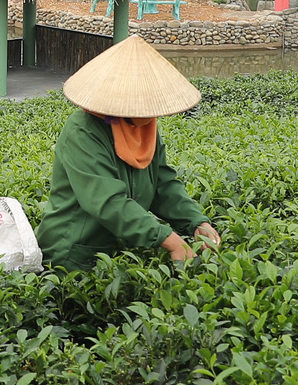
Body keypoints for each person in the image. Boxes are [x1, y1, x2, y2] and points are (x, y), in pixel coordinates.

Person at [35, 35, 221, 269]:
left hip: (119, 251)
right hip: (72, 253)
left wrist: (196, 222)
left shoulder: (142, 126)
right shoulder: (83, 133)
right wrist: (169, 240)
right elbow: (109, 202)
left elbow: (163, 184)